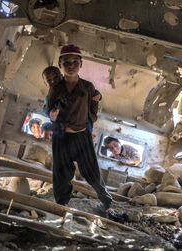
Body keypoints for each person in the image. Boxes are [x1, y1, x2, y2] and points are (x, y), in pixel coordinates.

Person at [46, 44, 118, 219]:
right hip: (61, 137)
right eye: (66, 62)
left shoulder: (87, 86)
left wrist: (97, 102)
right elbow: (48, 109)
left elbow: (94, 104)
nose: (71, 65)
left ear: (81, 64)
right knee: (61, 173)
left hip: (82, 136)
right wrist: (52, 116)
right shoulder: (55, 88)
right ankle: (61, 205)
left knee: (92, 172)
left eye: (75, 62)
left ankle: (107, 204)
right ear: (60, 64)